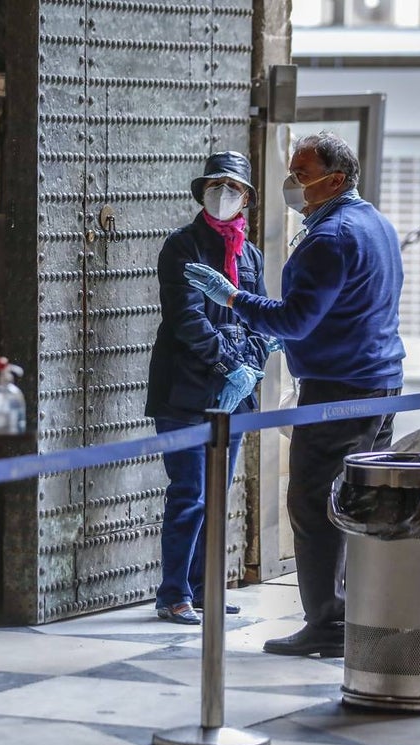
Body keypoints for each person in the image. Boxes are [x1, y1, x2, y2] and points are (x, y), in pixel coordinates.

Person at [185, 131, 405, 657]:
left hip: (340, 387)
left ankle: (328, 624)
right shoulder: (376, 222)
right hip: (381, 381)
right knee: (357, 501)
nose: (292, 182)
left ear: (335, 178)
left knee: (312, 501)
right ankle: (357, 612)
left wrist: (235, 297)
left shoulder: (330, 236)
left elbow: (299, 321)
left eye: (302, 173)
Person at [145, 151, 277, 626]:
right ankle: (173, 593)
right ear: (203, 191)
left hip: (235, 397)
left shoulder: (251, 253)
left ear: (246, 199)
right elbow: (185, 318)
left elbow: (258, 313)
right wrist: (226, 361)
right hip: (184, 390)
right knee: (189, 493)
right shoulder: (181, 246)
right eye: (216, 184)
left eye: (234, 187)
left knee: (217, 493)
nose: (225, 194)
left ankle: (205, 588)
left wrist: (254, 361)